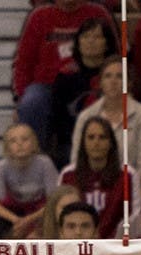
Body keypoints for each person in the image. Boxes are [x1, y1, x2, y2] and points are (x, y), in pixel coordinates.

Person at [11, 0, 115, 149]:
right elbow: (23, 64)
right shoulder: (39, 16)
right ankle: (37, 158)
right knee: (32, 102)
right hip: (47, 86)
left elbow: (114, 55)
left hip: (88, 82)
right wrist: (20, 100)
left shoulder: (98, 13)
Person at [49, 16, 118, 166]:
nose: (90, 41)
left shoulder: (116, 74)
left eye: (97, 37)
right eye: (86, 36)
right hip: (73, 141)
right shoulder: (65, 76)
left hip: (112, 138)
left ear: (107, 44)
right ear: (78, 42)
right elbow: (59, 120)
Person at [72, 56, 141, 172]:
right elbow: (77, 161)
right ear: (100, 83)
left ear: (129, 83)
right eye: (108, 76)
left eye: (120, 76)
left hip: (130, 185)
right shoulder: (86, 116)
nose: (113, 81)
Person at [59, 116, 140, 240]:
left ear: (111, 143)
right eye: (91, 137)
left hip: (116, 245)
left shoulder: (128, 175)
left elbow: (134, 216)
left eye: (102, 137)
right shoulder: (67, 175)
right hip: (76, 243)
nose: (96, 142)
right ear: (83, 142)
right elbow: (59, 213)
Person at [0, 123, 59, 239]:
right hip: (16, 213)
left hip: (41, 212)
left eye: (25, 139)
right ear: (7, 148)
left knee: (54, 214)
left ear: (34, 144)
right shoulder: (3, 166)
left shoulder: (45, 163)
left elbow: (54, 201)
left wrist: (29, 220)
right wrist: (16, 220)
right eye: (13, 141)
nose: (19, 144)